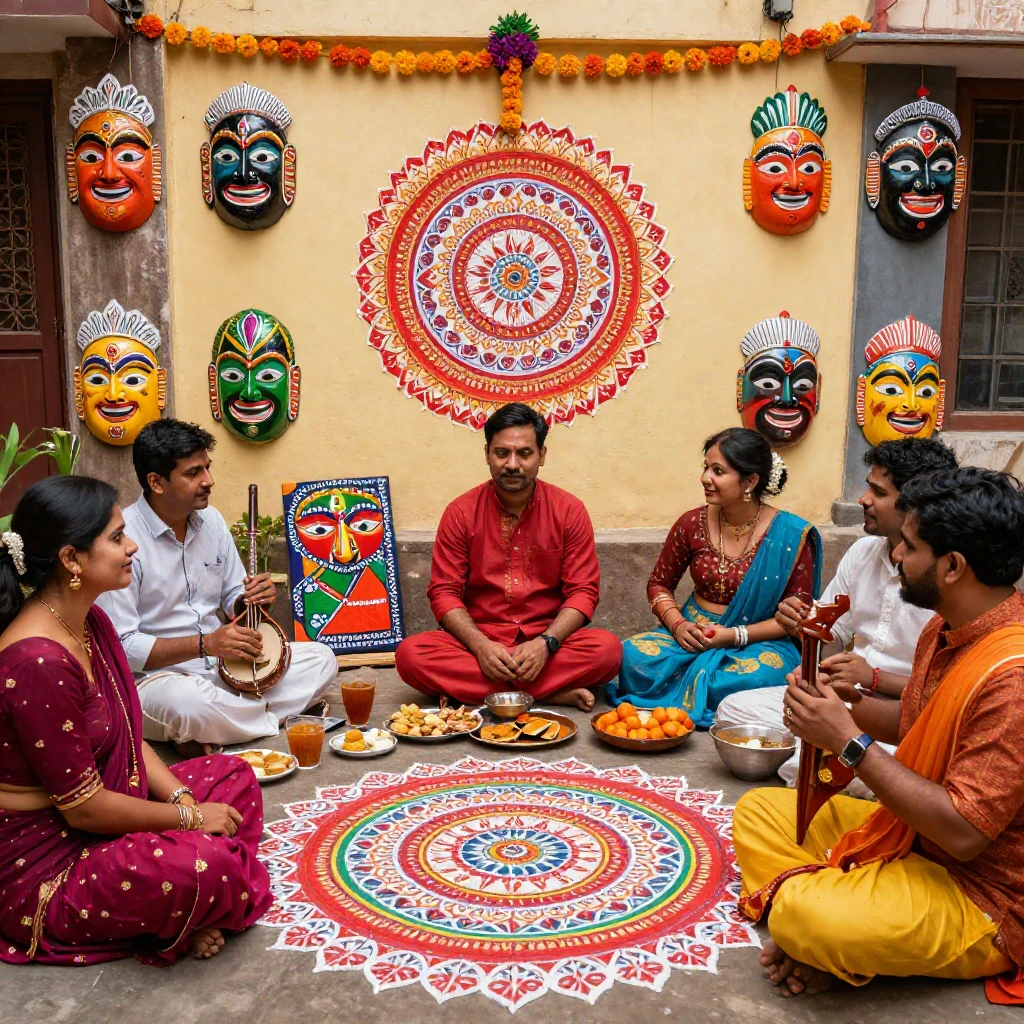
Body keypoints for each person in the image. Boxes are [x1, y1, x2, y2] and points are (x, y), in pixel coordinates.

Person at [734, 467, 1024, 997]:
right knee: (759, 812)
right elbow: (919, 719)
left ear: (954, 566)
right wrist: (839, 707)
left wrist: (847, 740)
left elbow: (963, 834)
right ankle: (832, 925)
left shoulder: (1013, 679)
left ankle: (819, 930)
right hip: (910, 835)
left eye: (909, 548)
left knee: (806, 916)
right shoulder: (947, 626)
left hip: (977, 889)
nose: (895, 556)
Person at [0, 476, 270, 965]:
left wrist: (184, 800)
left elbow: (127, 732)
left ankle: (193, 908)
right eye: (116, 537)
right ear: (70, 559)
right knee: (205, 863)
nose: (132, 546)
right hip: (53, 861)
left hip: (109, 813)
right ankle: (199, 903)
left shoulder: (90, 620)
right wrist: (189, 820)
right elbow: (82, 810)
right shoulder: (36, 662)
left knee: (233, 775)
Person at [716, 437, 959, 791]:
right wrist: (807, 635)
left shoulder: (942, 578)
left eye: (877, 492)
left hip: (910, 717)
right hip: (848, 700)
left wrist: (874, 678)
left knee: (859, 763)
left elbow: (951, 694)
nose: (863, 499)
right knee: (735, 712)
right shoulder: (862, 552)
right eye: (867, 487)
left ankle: (825, 762)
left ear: (915, 507)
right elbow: (831, 643)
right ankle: (825, 758)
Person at [97, 420, 337, 750]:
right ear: (157, 482)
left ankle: (215, 730)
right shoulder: (124, 541)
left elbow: (232, 599)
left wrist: (252, 600)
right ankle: (265, 718)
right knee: (187, 705)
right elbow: (123, 647)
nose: (209, 481)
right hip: (158, 682)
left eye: (207, 469)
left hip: (224, 666)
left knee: (322, 658)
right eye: (193, 473)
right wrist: (205, 644)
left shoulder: (213, 521)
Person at [395, 402, 621, 711]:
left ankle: (480, 695)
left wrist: (546, 643)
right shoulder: (460, 513)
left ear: (542, 455)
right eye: (502, 453)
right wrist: (480, 646)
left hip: (548, 644)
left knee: (608, 651)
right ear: (487, 453)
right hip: (479, 644)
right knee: (410, 655)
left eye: (524, 454)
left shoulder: (569, 511)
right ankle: (546, 695)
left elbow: (583, 592)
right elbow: (444, 592)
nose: (512, 464)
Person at [608, 428, 820, 727]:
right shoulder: (691, 523)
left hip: (757, 642)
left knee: (758, 677)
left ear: (750, 481)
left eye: (718, 471)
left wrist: (734, 636)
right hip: (691, 633)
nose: (705, 477)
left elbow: (797, 617)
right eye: (706, 467)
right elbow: (659, 584)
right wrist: (679, 625)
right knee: (631, 655)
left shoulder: (790, 536)